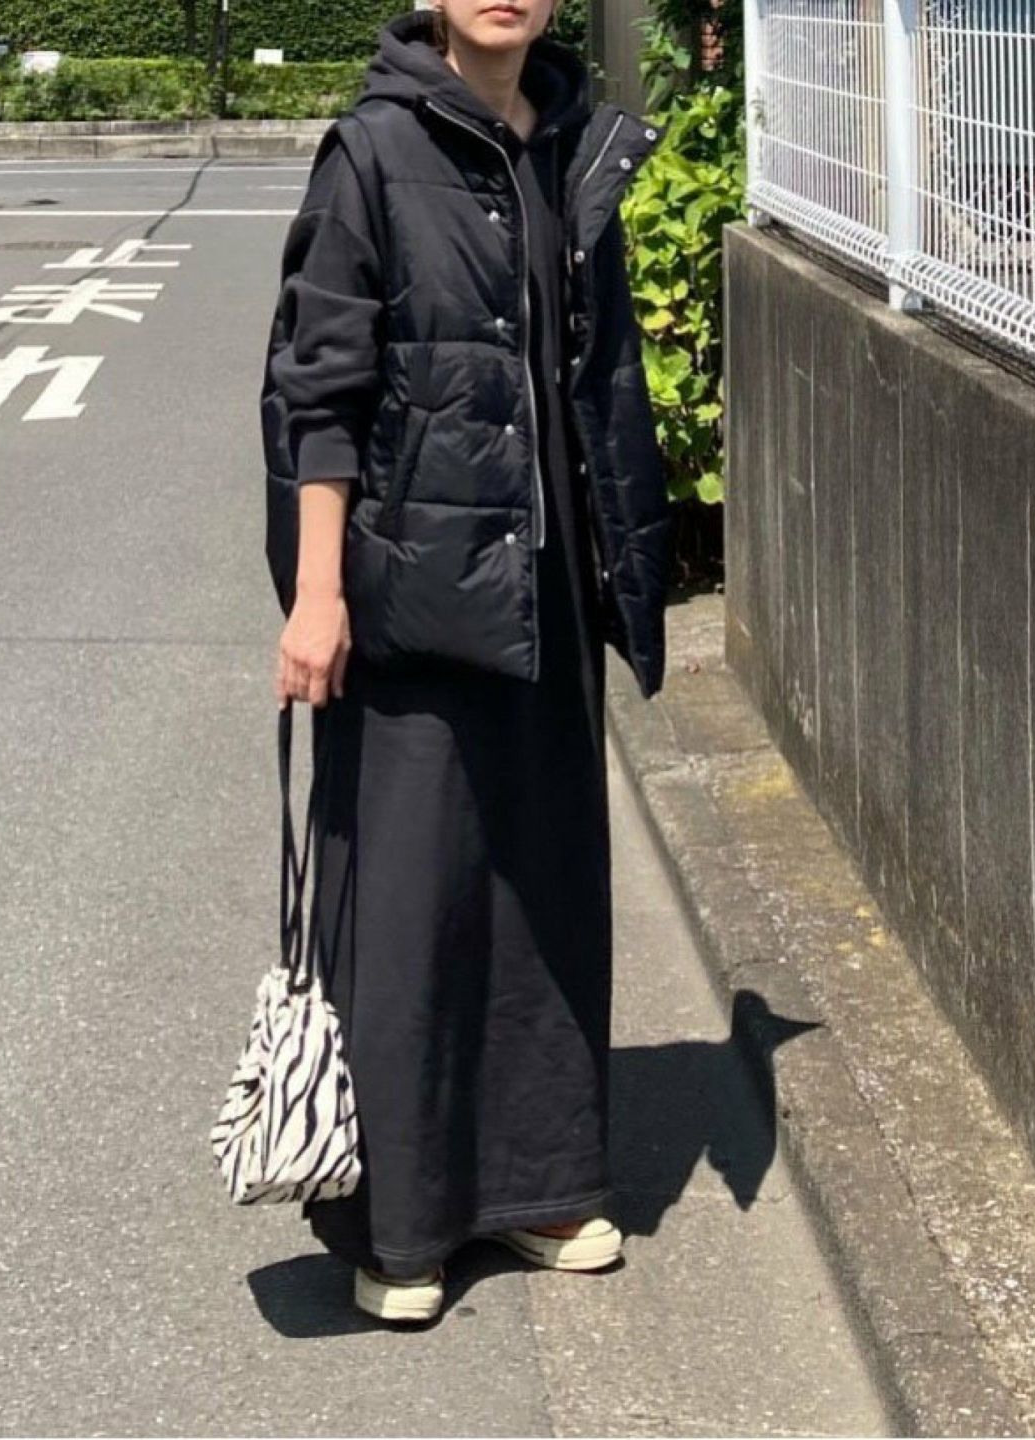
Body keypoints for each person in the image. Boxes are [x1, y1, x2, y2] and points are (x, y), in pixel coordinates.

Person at [259, 1, 673, 1325]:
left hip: (550, 582)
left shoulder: (573, 143)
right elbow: (318, 388)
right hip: (410, 590)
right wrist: (317, 592)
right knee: (412, 898)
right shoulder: (373, 152)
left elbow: (599, 374)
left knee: (545, 882)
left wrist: (626, 561)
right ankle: (405, 1222)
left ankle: (543, 1185)